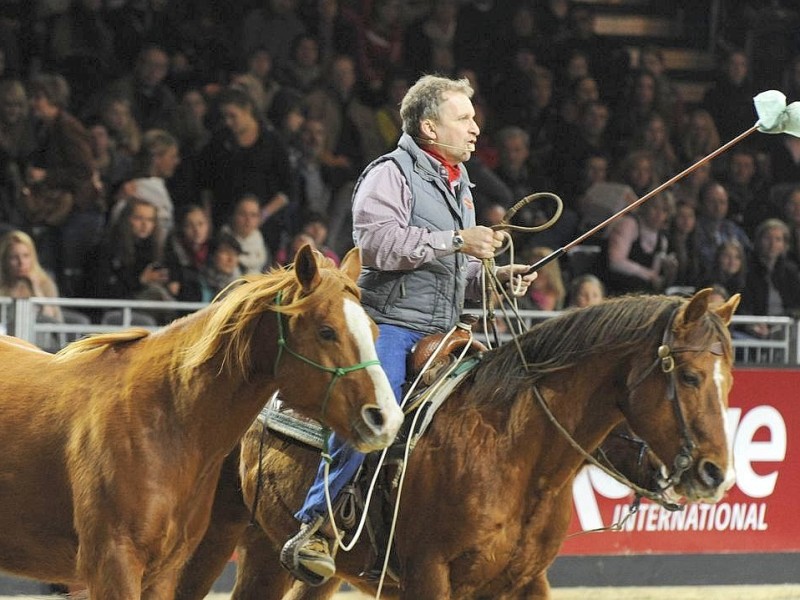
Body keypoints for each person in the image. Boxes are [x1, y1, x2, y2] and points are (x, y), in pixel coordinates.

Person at [282, 74, 537, 583]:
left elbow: (446, 268)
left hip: (445, 330)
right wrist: (456, 241)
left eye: (473, 117)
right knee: (373, 412)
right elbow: (378, 246)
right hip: (391, 325)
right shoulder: (389, 173)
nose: (475, 127)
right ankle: (316, 523)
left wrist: (492, 278)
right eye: (463, 118)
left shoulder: (459, 181)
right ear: (428, 126)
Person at [219, 193, 270, 274]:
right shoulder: (221, 242)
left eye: (253, 215)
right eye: (242, 214)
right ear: (233, 215)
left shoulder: (261, 243)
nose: (248, 219)